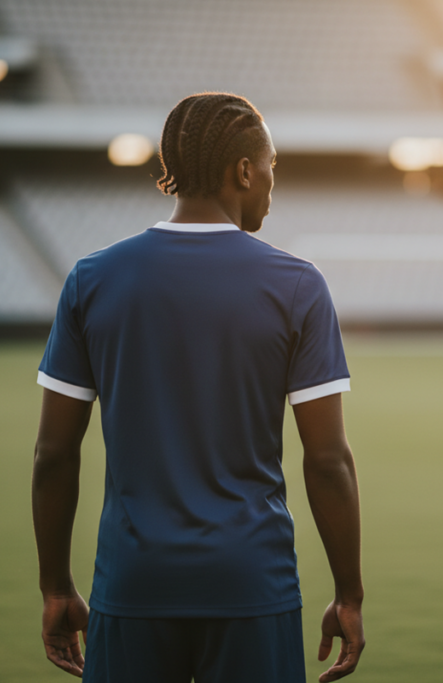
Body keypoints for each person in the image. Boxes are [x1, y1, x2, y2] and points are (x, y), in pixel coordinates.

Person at [32, 92, 364, 683]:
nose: (273, 180)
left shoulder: (91, 279)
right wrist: (349, 594)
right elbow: (328, 460)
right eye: (272, 165)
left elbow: (53, 455)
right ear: (244, 171)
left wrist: (56, 588)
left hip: (133, 583)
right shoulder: (298, 286)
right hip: (251, 584)